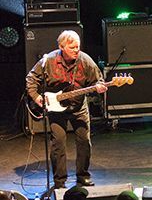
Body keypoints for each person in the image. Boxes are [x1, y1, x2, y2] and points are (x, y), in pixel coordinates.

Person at [26, 30, 107, 189]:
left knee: (84, 141)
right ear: (61, 47)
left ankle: (83, 176)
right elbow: (31, 78)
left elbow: (98, 80)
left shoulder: (85, 61)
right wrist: (36, 97)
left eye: (78, 47)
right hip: (56, 109)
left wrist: (100, 88)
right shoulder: (48, 61)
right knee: (58, 144)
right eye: (72, 47)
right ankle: (59, 181)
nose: (76, 50)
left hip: (78, 107)